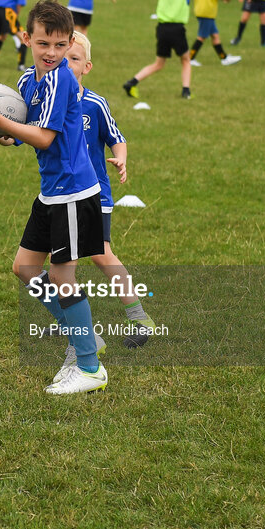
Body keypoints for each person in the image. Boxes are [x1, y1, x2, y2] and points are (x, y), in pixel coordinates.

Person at [0, 0, 108, 395]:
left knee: (63, 276)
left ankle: (90, 367)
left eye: (62, 46)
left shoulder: (62, 80)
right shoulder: (28, 81)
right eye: (44, 43)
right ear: (26, 38)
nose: (52, 53)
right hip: (51, 192)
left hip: (75, 192)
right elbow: (24, 136)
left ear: (70, 44)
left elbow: (45, 137)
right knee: (25, 268)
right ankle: (84, 339)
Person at [67, 31, 157, 352]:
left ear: (86, 67)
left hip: (95, 194)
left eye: (74, 58)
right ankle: (78, 330)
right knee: (64, 263)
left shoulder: (95, 104)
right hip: (62, 195)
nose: (67, 62)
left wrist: (120, 157)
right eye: (62, 56)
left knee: (100, 253)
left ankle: (139, 317)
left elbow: (117, 136)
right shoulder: (47, 101)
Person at [122, 0, 216, 101]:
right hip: (177, 30)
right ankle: (186, 91)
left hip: (162, 29)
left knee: (159, 63)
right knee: (185, 60)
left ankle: (132, 82)